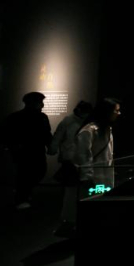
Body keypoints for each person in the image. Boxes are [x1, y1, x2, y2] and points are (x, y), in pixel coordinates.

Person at [0, 92, 53, 209]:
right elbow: (4, 134)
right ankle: (21, 198)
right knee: (25, 174)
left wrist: (50, 145)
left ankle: (24, 195)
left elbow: (46, 134)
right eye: (40, 102)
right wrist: (14, 146)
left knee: (38, 172)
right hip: (24, 152)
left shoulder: (41, 117)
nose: (42, 105)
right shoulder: (16, 117)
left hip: (36, 151)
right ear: (32, 103)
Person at [48, 100, 92, 236]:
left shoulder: (82, 122)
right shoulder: (69, 121)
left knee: (73, 190)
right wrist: (53, 148)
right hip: (70, 159)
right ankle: (69, 219)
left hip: (77, 158)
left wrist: (53, 148)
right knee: (71, 190)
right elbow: (58, 136)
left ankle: (71, 218)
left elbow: (58, 136)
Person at [75, 98, 121, 192]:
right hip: (93, 179)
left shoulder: (106, 129)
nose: (118, 113)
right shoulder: (89, 130)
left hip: (103, 178)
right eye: (116, 110)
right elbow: (83, 156)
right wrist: (86, 177)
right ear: (107, 112)